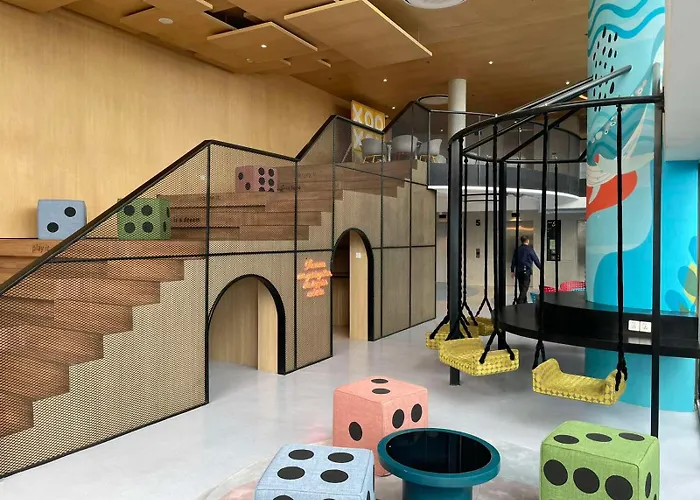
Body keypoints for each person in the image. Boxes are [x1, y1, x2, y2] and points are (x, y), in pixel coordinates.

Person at [511, 236, 541, 304]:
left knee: (521, 286)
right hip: (526, 271)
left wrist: (512, 270)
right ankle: (520, 301)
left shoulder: (517, 249)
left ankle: (524, 302)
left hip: (518, 271)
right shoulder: (529, 249)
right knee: (525, 287)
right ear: (527, 240)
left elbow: (513, 260)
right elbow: (536, 259)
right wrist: (541, 268)